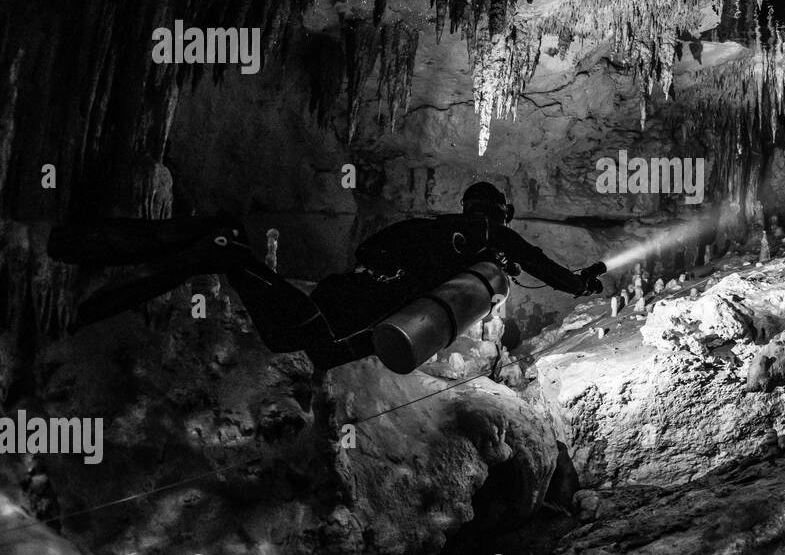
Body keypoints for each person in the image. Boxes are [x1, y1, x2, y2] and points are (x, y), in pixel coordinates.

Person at [48, 182, 604, 371]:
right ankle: (85, 285)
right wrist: (582, 283)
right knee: (226, 249)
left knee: (227, 257)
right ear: (498, 214)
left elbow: (372, 247)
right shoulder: (492, 242)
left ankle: (84, 263)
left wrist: (388, 273)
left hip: (334, 312)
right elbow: (542, 265)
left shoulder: (433, 227)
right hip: (331, 332)